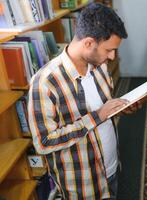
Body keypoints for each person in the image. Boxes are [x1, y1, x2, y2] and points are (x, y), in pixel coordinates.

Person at [28, 3, 136, 199]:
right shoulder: (45, 82)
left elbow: (103, 109)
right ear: (88, 43)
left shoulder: (99, 65)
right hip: (83, 184)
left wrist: (118, 108)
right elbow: (43, 142)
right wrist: (97, 116)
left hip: (112, 168)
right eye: (108, 50)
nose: (112, 57)